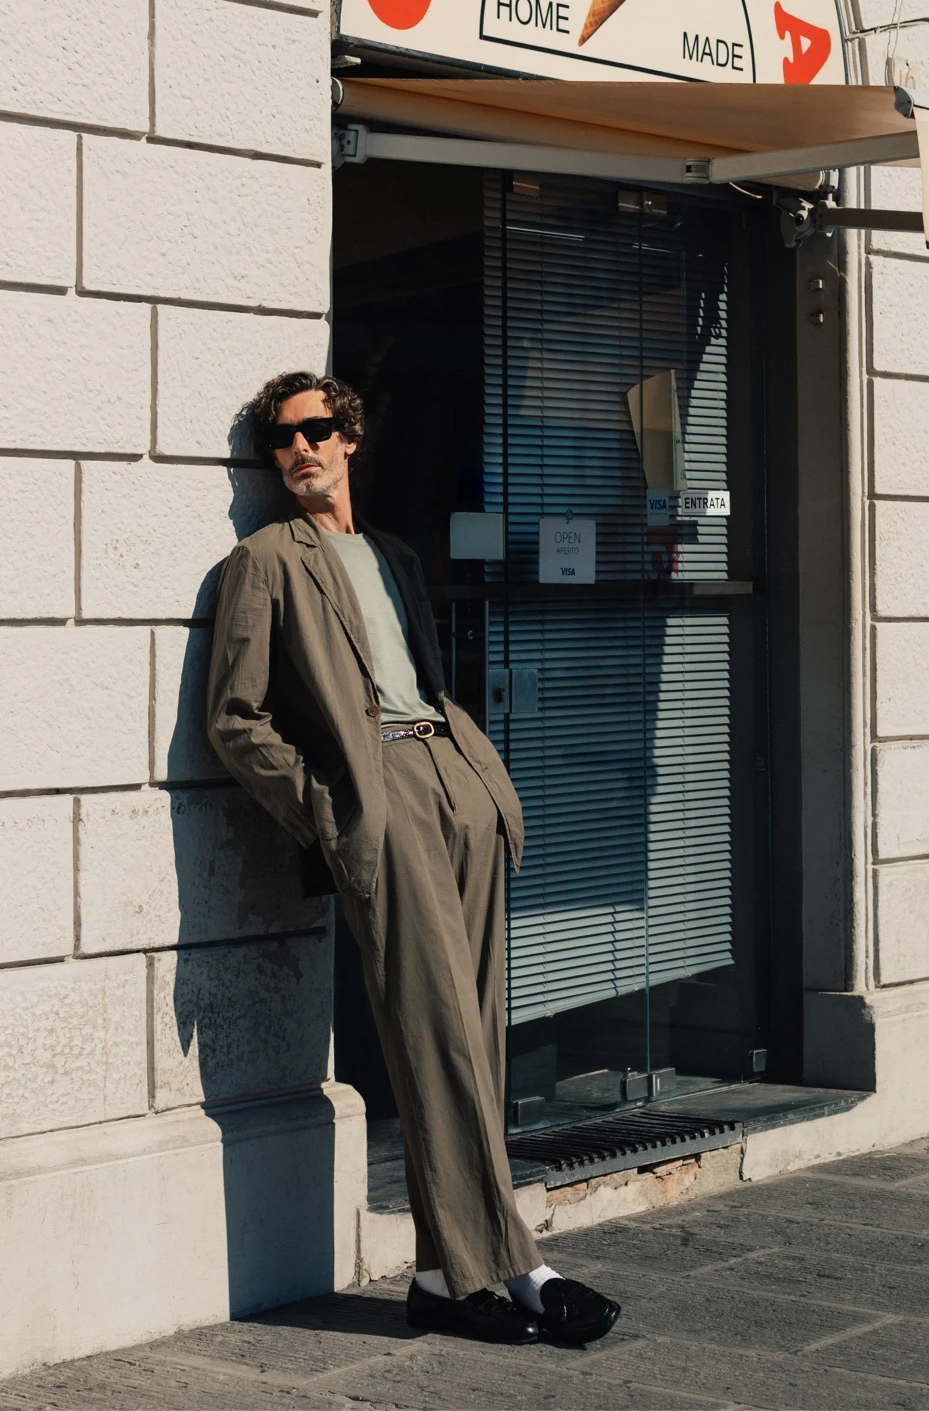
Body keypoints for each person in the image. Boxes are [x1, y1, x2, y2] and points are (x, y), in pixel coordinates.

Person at [207, 370, 620, 1347]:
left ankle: (444, 1278)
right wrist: (327, 806)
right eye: (279, 439)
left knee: (473, 1033)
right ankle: (518, 1263)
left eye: (315, 429)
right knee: (433, 1026)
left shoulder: (390, 554)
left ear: (349, 438)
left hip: (455, 775)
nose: (298, 449)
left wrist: (475, 775)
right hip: (378, 792)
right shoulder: (266, 562)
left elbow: (422, 676)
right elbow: (236, 718)